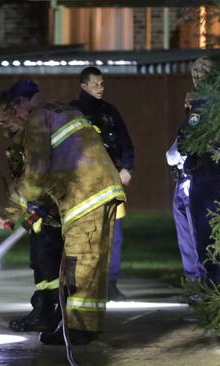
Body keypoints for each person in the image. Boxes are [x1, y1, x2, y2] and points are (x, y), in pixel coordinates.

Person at [0, 79, 126, 345]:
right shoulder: (62, 110)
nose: (14, 117)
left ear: (22, 103)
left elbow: (35, 175)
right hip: (100, 192)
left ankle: (77, 330)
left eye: (14, 109)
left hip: (85, 197)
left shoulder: (37, 120)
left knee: (78, 265)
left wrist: (10, 212)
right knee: (91, 265)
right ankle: (84, 325)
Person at [0, 90, 63, 333]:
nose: (2, 126)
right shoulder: (23, 140)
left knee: (49, 266)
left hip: (53, 215)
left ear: (15, 110)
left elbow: (36, 179)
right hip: (43, 215)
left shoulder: (34, 137)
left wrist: (13, 213)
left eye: (3, 119)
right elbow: (24, 187)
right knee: (41, 264)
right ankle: (46, 310)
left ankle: (54, 314)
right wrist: (10, 215)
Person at [69, 66, 135, 301]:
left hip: (110, 183)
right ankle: (82, 283)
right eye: (95, 84)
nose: (100, 88)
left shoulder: (110, 112)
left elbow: (126, 142)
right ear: (83, 85)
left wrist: (127, 168)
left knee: (114, 236)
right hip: (82, 186)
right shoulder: (73, 112)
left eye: (102, 84)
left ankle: (110, 283)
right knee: (84, 235)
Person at [168, 57, 220, 284]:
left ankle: (208, 285)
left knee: (202, 234)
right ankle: (208, 282)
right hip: (217, 175)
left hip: (202, 176)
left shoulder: (201, 106)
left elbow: (185, 142)